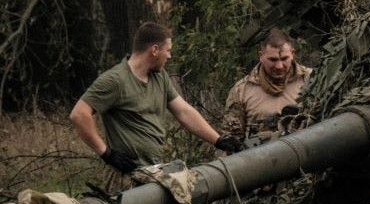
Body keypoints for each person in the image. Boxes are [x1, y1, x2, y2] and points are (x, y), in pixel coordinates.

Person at [69, 22, 242, 173]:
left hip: (155, 170)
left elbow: (184, 112)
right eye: (168, 50)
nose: (169, 56)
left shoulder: (160, 77)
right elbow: (79, 114)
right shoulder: (115, 80)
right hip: (127, 173)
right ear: (154, 50)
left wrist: (218, 140)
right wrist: (107, 153)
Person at [224, 29, 312, 139]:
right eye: (272, 60)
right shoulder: (241, 91)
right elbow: (232, 140)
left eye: (284, 58)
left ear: (292, 54)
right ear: (261, 56)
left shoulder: (312, 79)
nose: (279, 66)